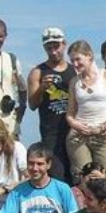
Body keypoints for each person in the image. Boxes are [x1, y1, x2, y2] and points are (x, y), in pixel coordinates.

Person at [65, 39, 106, 188]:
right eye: (72, 60)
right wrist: (75, 125)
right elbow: (70, 114)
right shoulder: (75, 82)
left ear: (89, 56)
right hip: (79, 137)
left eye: (78, 59)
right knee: (83, 181)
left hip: (103, 134)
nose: (75, 64)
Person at [26, 27, 74, 183]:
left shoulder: (75, 71)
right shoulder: (37, 72)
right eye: (49, 47)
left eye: (56, 46)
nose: (53, 51)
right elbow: (32, 104)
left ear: (64, 44)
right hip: (51, 135)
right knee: (57, 177)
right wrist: (42, 88)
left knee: (77, 178)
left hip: (74, 132)